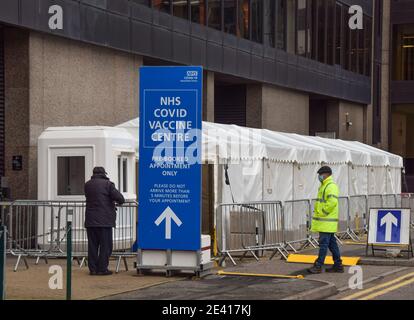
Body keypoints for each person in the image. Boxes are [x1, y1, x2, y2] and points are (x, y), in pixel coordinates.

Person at [84, 167, 125, 276]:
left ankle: (92, 269)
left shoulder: (87, 185)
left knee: (92, 246)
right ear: (104, 174)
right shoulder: (108, 184)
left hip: (91, 220)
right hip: (104, 221)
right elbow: (120, 198)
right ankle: (102, 269)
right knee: (105, 246)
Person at [308, 166, 344, 274]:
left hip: (326, 222)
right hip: (326, 222)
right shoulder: (324, 186)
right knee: (332, 244)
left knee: (323, 244)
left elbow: (332, 202)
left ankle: (318, 265)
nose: (319, 177)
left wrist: (323, 212)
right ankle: (338, 265)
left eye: (320, 175)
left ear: (326, 174)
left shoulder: (330, 186)